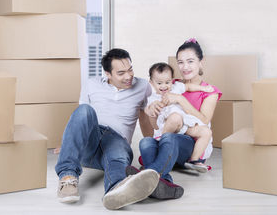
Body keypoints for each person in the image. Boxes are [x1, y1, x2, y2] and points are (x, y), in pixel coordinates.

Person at [55, 48, 159, 210]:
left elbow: (144, 117)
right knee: (84, 110)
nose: (128, 76)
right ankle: (67, 177)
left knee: (117, 157)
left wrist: (150, 151)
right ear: (108, 74)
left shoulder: (143, 86)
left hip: (118, 141)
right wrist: (68, 144)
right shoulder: (91, 84)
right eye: (121, 72)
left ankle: (116, 189)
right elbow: (80, 119)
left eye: (130, 69)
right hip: (92, 139)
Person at [127, 38, 222, 199]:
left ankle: (146, 177)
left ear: (201, 62)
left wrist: (180, 100)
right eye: (181, 62)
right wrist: (153, 111)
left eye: (190, 61)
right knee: (146, 142)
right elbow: (156, 127)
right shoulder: (168, 84)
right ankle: (163, 183)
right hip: (167, 139)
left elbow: (204, 120)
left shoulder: (209, 91)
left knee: (169, 139)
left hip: (190, 143)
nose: (185, 67)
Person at [145, 62, 214, 173]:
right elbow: (151, 116)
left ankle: (194, 160)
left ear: (172, 80)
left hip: (185, 125)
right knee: (175, 117)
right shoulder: (153, 98)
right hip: (168, 126)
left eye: (167, 82)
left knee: (206, 132)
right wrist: (152, 109)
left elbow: (188, 86)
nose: (164, 86)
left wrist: (203, 88)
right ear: (151, 83)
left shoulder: (176, 88)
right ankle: (161, 142)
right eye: (159, 83)